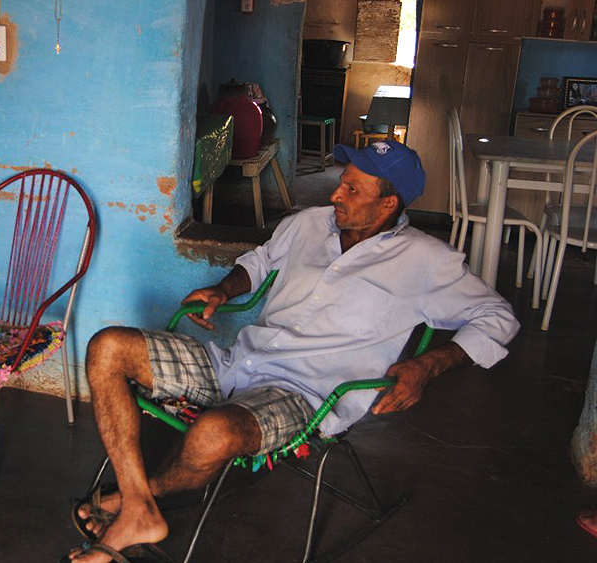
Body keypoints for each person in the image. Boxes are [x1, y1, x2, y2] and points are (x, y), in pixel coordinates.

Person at [66, 140, 520, 563]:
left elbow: (499, 318)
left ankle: (142, 499)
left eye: (351, 188)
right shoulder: (308, 223)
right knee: (108, 348)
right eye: (342, 180)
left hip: (307, 396)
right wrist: (223, 290)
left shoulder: (426, 261)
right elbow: (259, 262)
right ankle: (138, 505)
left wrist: (428, 364)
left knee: (214, 433)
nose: (336, 192)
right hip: (237, 363)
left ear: (388, 204)